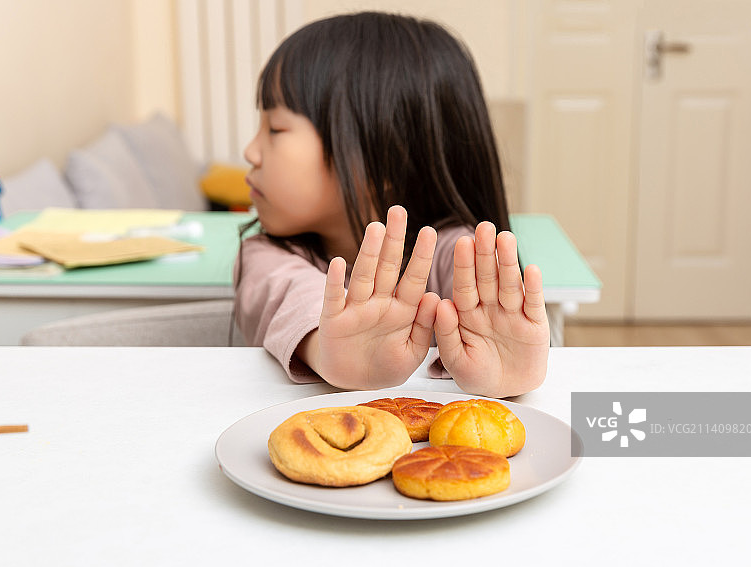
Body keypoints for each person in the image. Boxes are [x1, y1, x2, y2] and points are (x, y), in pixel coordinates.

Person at [233, 11, 549, 398]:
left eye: (275, 128)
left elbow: (500, 331)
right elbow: (294, 297)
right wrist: (330, 351)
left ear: (382, 158)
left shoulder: (460, 253)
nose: (250, 152)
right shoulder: (264, 257)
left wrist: (505, 372)